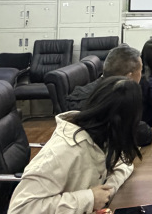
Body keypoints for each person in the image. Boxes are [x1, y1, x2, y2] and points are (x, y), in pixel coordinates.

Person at [8, 77, 142, 214]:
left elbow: (124, 163)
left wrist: (109, 189)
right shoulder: (63, 152)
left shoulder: (102, 135)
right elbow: (19, 210)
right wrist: (89, 199)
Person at [65, 45, 152, 146]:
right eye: (140, 71)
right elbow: (138, 134)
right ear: (129, 77)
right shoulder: (117, 97)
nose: (141, 75)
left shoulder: (83, 92)